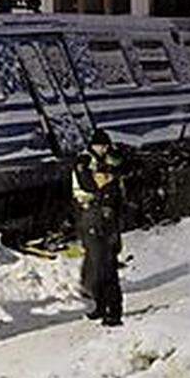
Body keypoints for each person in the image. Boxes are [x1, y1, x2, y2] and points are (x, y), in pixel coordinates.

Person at [72, 129, 126, 327]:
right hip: (90, 217)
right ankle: (101, 305)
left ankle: (114, 311)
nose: (103, 149)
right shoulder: (86, 162)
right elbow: (89, 186)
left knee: (107, 266)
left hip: (105, 219)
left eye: (105, 146)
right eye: (100, 146)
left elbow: (104, 186)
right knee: (97, 265)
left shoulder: (108, 163)